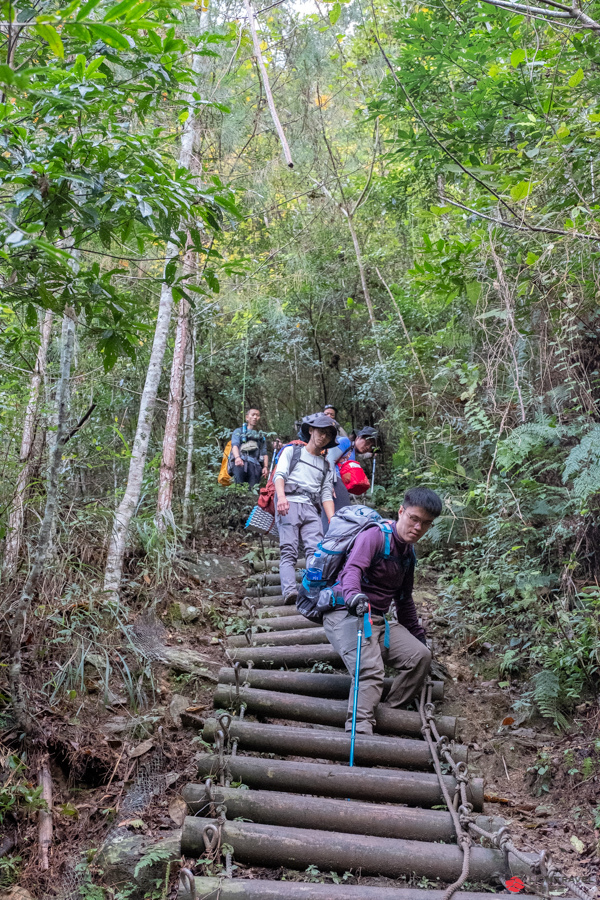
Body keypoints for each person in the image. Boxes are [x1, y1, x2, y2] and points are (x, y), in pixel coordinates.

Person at [322, 486, 443, 734]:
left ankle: (389, 714)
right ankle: (360, 731)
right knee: (370, 671)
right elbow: (351, 571)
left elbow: (404, 600)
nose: (418, 528)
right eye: (414, 519)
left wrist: (420, 638)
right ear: (401, 512)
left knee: (420, 656)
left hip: (378, 620)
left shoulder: (408, 553)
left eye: (426, 523)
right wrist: (354, 596)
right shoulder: (375, 536)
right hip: (345, 613)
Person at [273, 413, 337, 603]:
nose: (323, 437)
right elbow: (280, 475)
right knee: (289, 550)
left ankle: (311, 590)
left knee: (315, 552)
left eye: (327, 434)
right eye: (320, 431)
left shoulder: (325, 465)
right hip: (290, 502)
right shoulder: (292, 452)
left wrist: (333, 520)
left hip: (311, 508)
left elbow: (326, 494)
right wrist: (282, 497)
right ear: (310, 430)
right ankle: (290, 592)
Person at [322, 426, 379, 530]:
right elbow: (329, 460)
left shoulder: (352, 452)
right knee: (338, 517)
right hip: (334, 483)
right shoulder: (345, 442)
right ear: (358, 437)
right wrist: (328, 484)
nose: (368, 447)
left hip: (339, 485)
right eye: (367, 442)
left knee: (340, 516)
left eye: (371, 446)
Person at [230, 408, 268, 490]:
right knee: (239, 489)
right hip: (240, 463)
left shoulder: (261, 436)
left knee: (253, 490)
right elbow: (234, 445)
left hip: (255, 466)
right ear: (247, 417)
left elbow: (264, 452)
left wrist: (265, 467)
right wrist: (237, 458)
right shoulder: (238, 431)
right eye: (253, 415)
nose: (255, 417)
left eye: (257, 415)